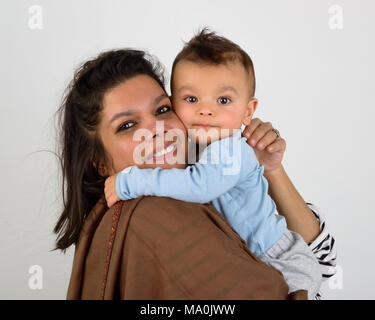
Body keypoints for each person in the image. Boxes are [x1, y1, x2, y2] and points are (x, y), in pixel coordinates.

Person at [54, 48, 336, 300]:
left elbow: (322, 259)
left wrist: (270, 169)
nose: (157, 130)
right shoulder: (154, 219)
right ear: (100, 163)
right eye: (127, 125)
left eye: (163, 109)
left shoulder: (202, 173)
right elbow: (320, 269)